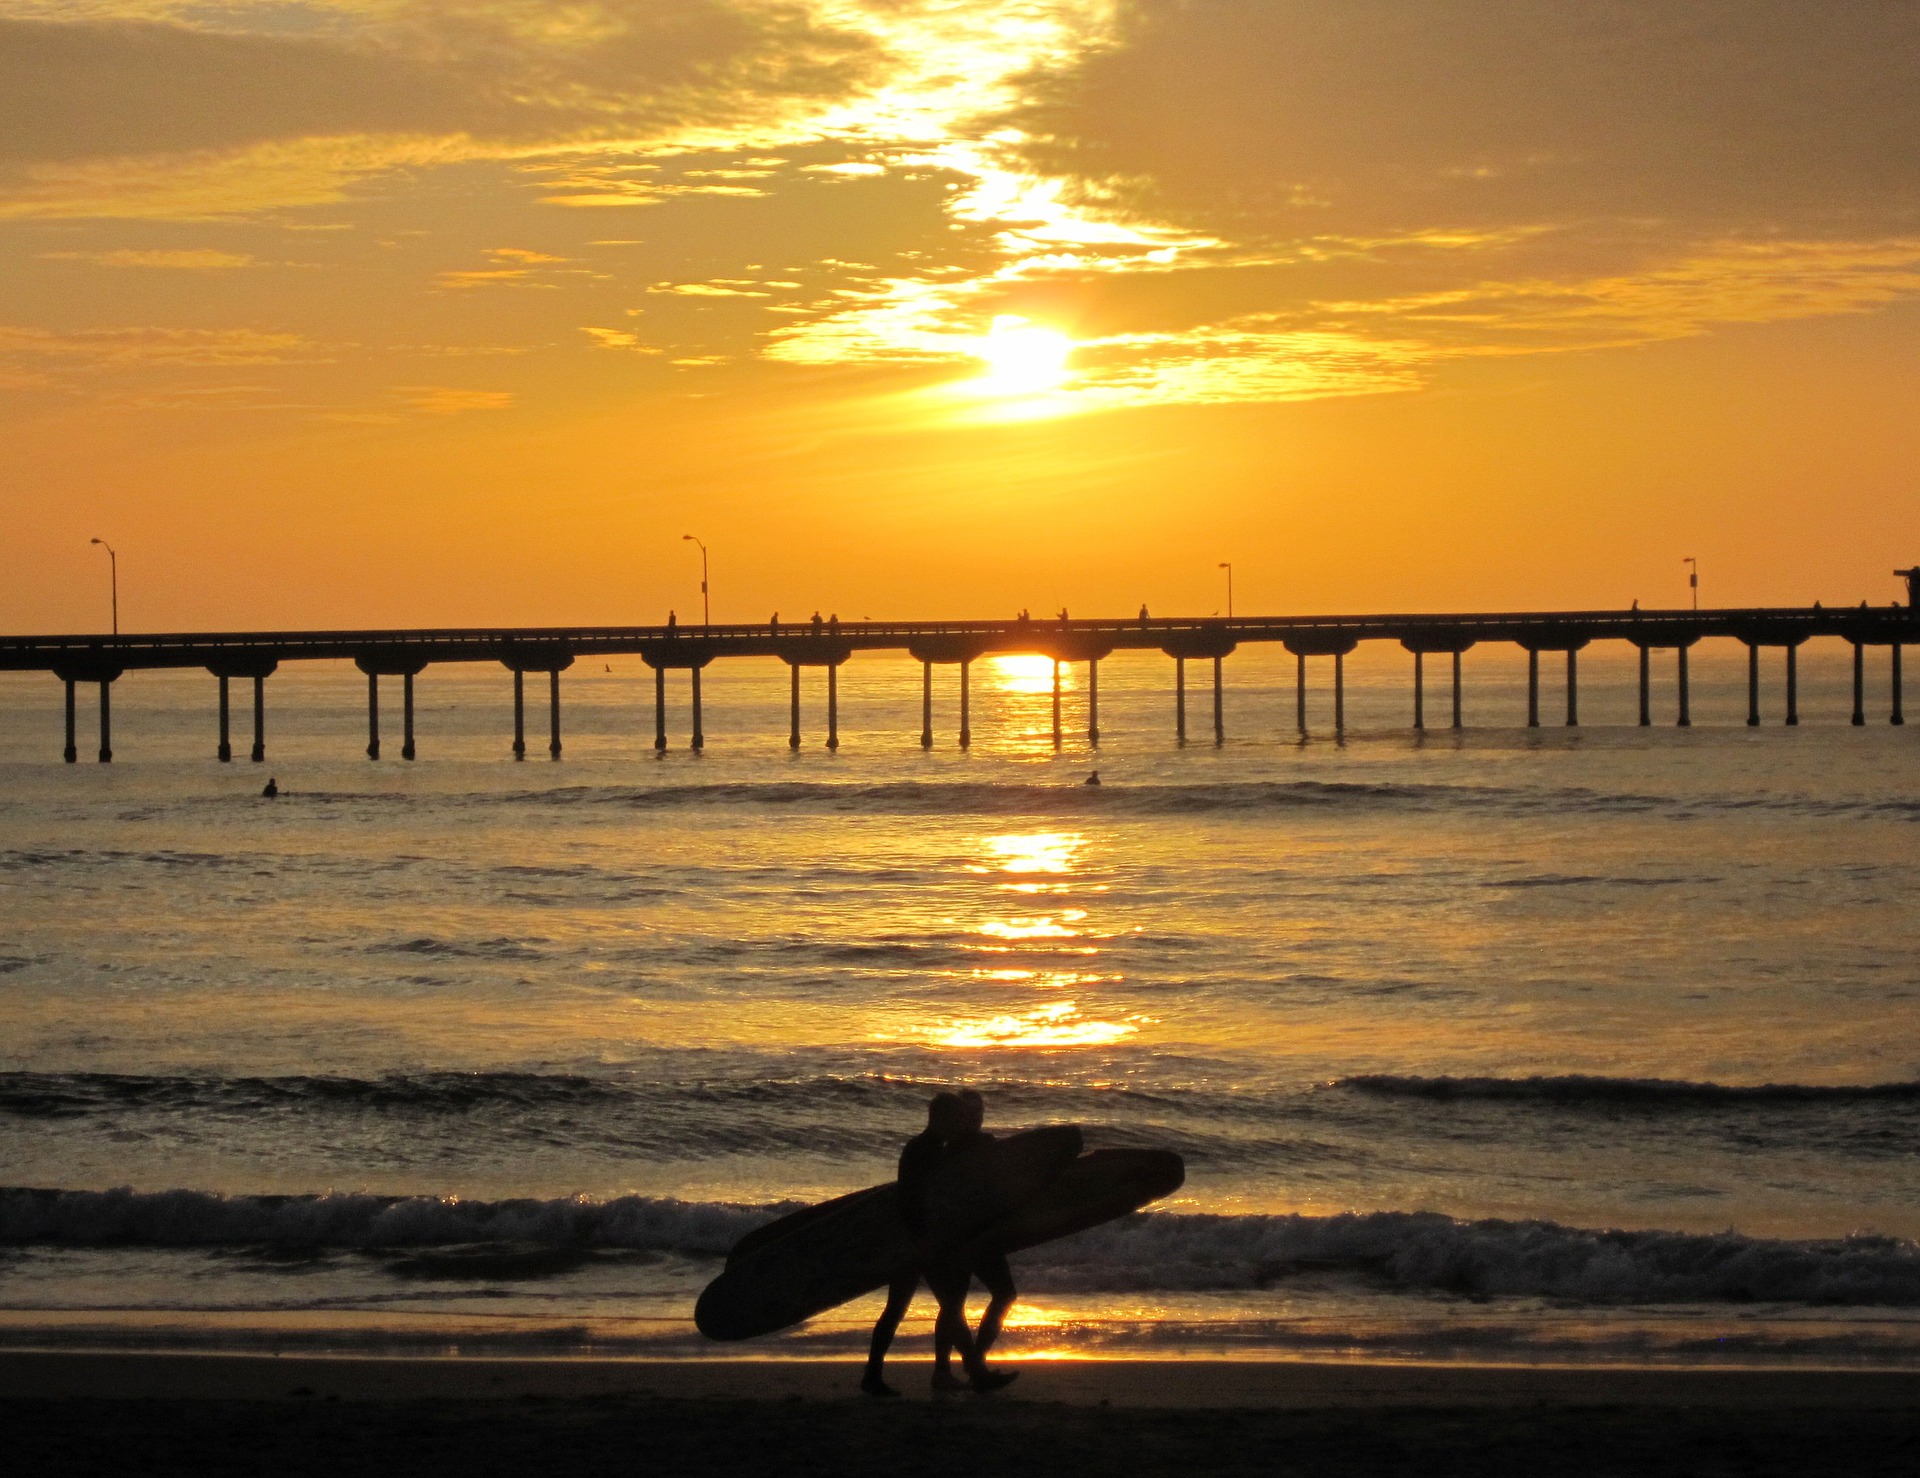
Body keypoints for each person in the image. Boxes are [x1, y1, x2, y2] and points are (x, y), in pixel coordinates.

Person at [862, 1092, 1016, 1397]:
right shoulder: (922, 1150)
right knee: (937, 1306)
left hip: (919, 1239)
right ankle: (974, 1373)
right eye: (956, 1117)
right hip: (917, 1241)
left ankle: (876, 1374)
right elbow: (910, 1199)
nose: (961, 1123)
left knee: (905, 1308)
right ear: (942, 1118)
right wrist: (921, 1241)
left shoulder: (934, 1148)